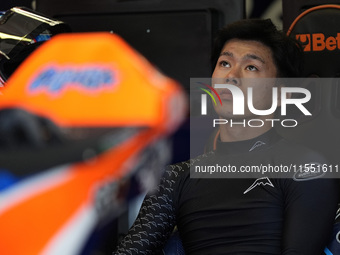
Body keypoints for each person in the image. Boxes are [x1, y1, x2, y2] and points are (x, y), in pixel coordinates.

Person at [113, 19, 339, 255]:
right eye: (224, 63)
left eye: (251, 67)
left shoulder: (305, 165)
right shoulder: (175, 178)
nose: (231, 76)